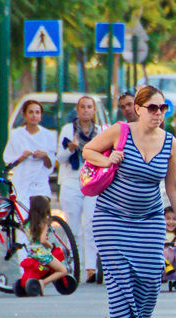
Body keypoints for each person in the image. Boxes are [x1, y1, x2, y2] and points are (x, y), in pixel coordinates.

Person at [83, 85, 176, 318]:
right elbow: (88, 151)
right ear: (139, 109)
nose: (158, 113)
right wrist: (107, 162)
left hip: (150, 218)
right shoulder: (122, 131)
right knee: (120, 278)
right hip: (111, 218)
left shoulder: (169, 142)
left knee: (152, 276)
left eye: (163, 108)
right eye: (152, 108)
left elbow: (174, 187)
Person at [57, 96, 101, 283]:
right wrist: (71, 149)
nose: (86, 110)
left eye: (89, 107)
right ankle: (74, 267)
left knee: (92, 225)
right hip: (71, 181)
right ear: (77, 109)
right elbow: (59, 158)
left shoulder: (100, 131)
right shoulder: (68, 130)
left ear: (94, 110)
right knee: (73, 227)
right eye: (82, 107)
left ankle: (91, 268)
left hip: (91, 181)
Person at [3, 100, 57, 211]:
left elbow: (50, 165)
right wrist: (22, 157)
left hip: (40, 183)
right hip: (21, 182)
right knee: (21, 217)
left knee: (39, 218)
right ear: (25, 115)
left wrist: (44, 156)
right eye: (31, 112)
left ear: (41, 116)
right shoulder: (17, 134)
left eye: (37, 113)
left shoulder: (48, 135)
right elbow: (8, 160)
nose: (34, 116)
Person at [25, 195, 68, 293]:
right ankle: (43, 282)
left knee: (41, 269)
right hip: (42, 253)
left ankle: (37, 281)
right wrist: (50, 246)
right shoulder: (44, 222)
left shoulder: (27, 223)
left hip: (32, 252)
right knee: (63, 270)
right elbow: (42, 240)